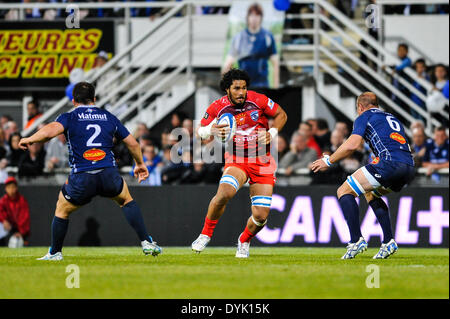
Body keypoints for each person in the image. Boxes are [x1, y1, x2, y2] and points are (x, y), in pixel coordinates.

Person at [18, 82, 162, 260]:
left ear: (73, 101)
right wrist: (140, 163)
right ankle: (146, 242)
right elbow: (132, 143)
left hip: (83, 176)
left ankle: (55, 252)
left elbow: (50, 131)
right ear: (94, 99)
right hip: (108, 174)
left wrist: (30, 139)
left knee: (62, 209)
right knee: (126, 200)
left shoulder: (69, 117)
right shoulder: (108, 116)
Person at [191, 69, 287, 258]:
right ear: (227, 89)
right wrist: (212, 129)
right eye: (236, 88)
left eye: (244, 88)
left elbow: (281, 115)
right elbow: (200, 132)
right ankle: (205, 234)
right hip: (237, 158)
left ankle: (244, 240)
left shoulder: (258, 100)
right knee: (224, 193)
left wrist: (271, 133)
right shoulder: (217, 107)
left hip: (263, 161)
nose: (241, 92)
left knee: (260, 217)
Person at [311, 92, 415, 260]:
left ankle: (355, 241)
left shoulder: (364, 116)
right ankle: (388, 241)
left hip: (389, 164)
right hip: (409, 167)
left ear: (360, 107)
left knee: (344, 191)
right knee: (370, 193)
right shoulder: (392, 118)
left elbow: (352, 144)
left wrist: (329, 161)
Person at [222, 3, 280, 88]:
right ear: (247, 17)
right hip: (244, 87)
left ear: (261, 17)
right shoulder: (239, 38)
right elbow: (227, 64)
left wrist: (276, 87)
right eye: (252, 15)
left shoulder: (267, 37)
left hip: (262, 86)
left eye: (257, 15)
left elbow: (275, 64)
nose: (254, 18)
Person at [0, 177, 30, 247]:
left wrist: (19, 232)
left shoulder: (22, 200)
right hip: (7, 230)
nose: (11, 190)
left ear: (16, 188)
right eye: (9, 187)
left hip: (19, 231)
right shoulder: (3, 201)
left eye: (13, 187)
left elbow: (25, 218)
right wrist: (4, 220)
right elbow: (1, 213)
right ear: (6, 189)